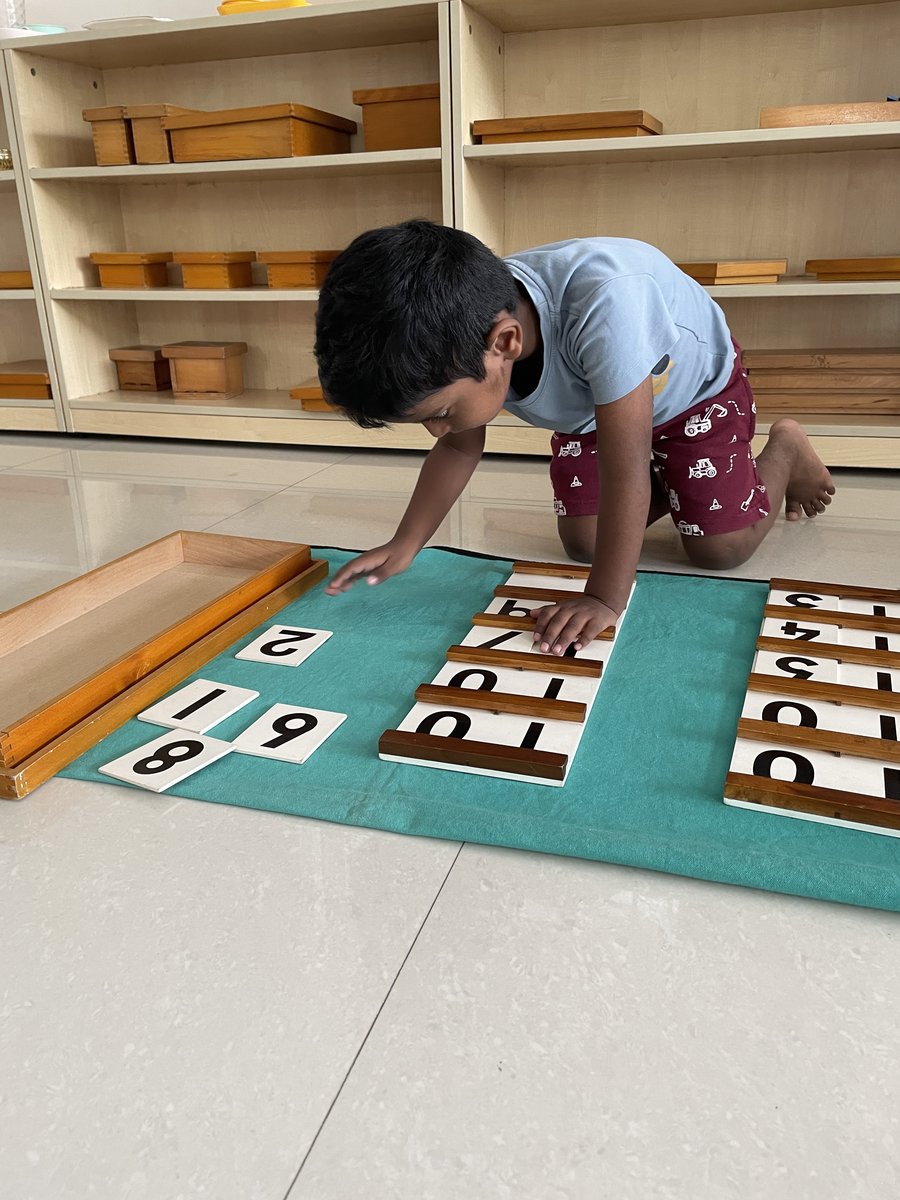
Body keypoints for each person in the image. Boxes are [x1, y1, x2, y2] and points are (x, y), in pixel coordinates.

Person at [315, 220, 835, 655]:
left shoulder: (605, 307)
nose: (438, 428)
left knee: (719, 550)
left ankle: (785, 450)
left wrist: (606, 598)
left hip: (692, 392)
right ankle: (683, 484)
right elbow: (456, 444)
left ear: (505, 343)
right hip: (593, 410)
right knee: (585, 542)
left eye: (442, 411)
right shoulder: (469, 327)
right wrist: (407, 544)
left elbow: (624, 466)